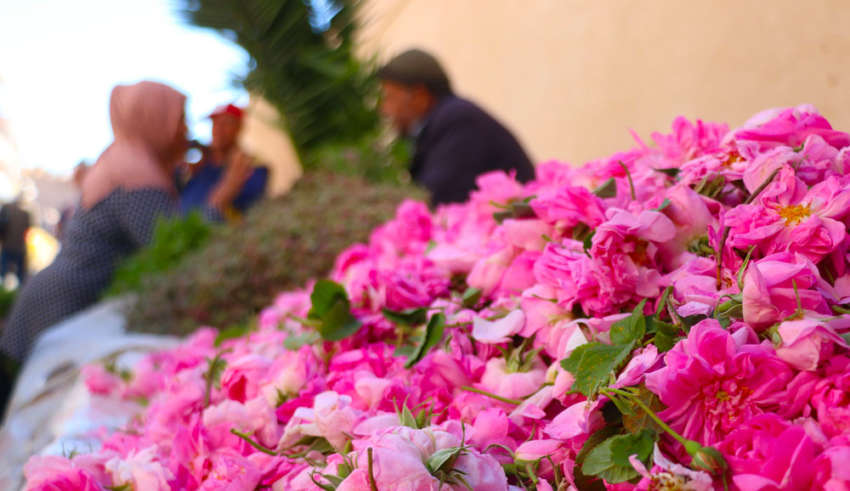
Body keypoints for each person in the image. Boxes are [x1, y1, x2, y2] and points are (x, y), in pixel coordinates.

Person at [0, 81, 247, 374]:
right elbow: (171, 251)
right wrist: (222, 196)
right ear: (152, 118)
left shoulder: (123, 160)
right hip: (64, 307)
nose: (186, 130)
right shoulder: (136, 177)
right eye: (180, 119)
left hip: (60, 299)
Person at [377, 48, 536, 206]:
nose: (384, 109)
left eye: (390, 97)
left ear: (420, 96)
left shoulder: (458, 122)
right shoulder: (444, 122)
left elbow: (434, 199)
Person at [178, 103, 268, 219]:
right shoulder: (201, 166)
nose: (218, 129)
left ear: (239, 127)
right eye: (214, 123)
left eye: (226, 123)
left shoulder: (251, 167)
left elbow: (249, 204)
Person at [0, 197, 31, 284]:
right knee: (20, 277)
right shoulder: (26, 214)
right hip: (19, 247)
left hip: (9, 246)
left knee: (3, 273)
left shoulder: (7, 210)